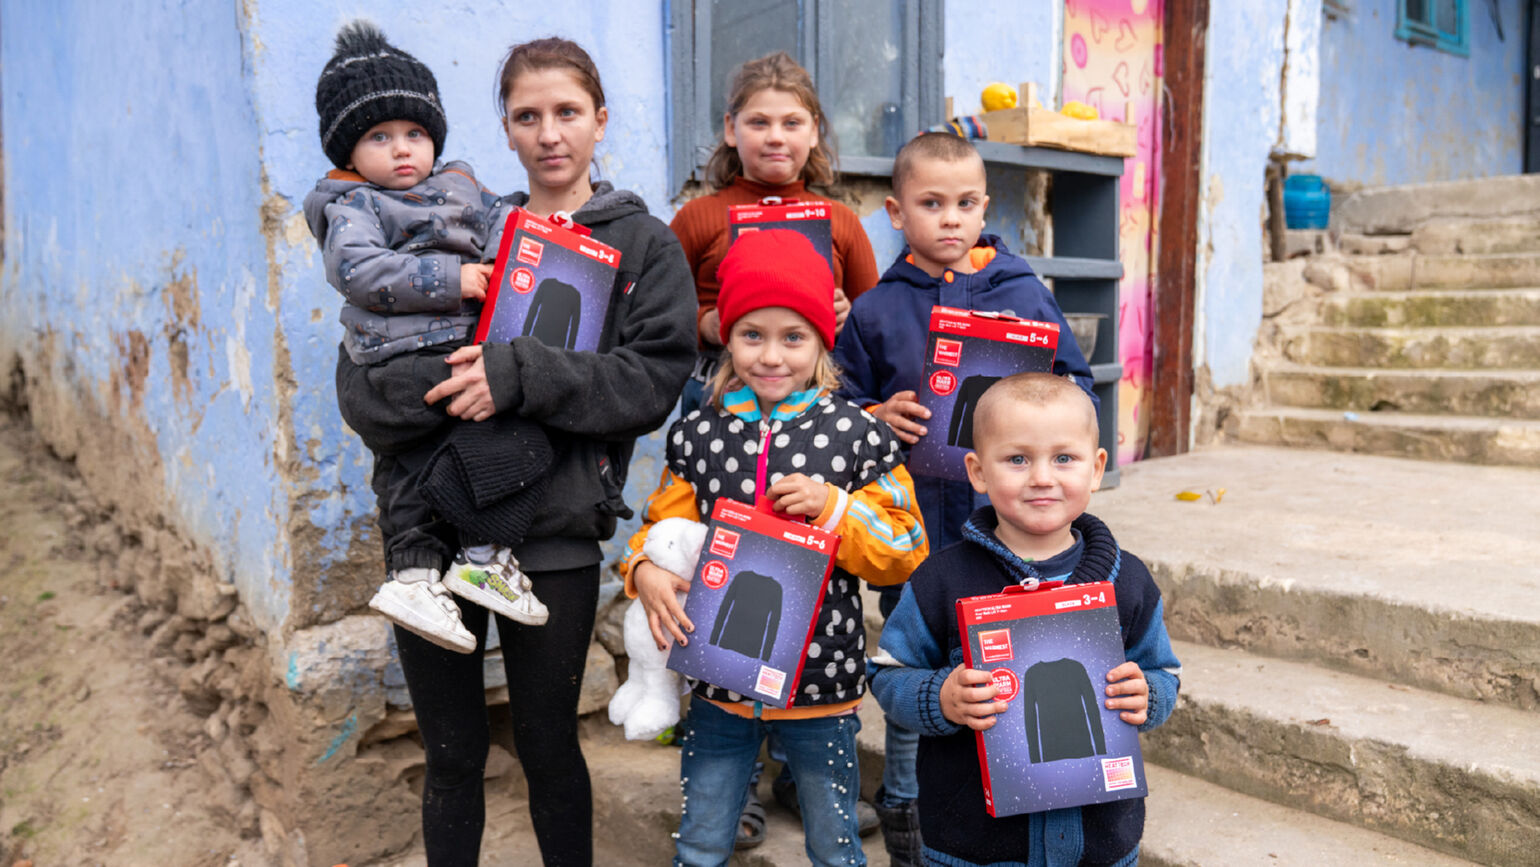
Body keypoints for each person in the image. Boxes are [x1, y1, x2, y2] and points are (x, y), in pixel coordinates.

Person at [402, 38, 697, 866]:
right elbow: (396, 348)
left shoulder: (645, 246)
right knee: (453, 756)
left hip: (557, 534)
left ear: (601, 120)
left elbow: (651, 378)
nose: (549, 133)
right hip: (445, 527)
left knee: (547, 749)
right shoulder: (473, 235)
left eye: (567, 112)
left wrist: (519, 372)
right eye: (527, 116)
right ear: (506, 129)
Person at [831, 132, 1101, 863]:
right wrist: (876, 416)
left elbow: (1076, 385)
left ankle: (1011, 800)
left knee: (1010, 668)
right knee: (919, 664)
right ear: (895, 211)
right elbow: (841, 407)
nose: (950, 219)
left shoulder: (1023, 292)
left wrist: (1039, 396)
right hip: (918, 532)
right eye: (930, 204)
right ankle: (908, 809)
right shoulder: (877, 310)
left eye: (965, 203)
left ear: (985, 204)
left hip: (1014, 533)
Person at [622, 229, 928, 867]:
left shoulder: (857, 433)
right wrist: (644, 569)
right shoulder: (699, 434)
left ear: (821, 340)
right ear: (726, 338)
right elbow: (662, 526)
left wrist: (836, 509)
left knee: (834, 841)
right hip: (716, 679)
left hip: (822, 686)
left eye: (793, 336)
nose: (771, 356)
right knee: (703, 836)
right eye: (751, 334)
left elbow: (906, 545)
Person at [869, 373, 1181, 867]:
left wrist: (1150, 695)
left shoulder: (1129, 582)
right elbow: (887, 674)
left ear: (1097, 468)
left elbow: (1164, 674)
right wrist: (940, 698)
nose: (1041, 477)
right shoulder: (941, 580)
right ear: (977, 471)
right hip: (972, 846)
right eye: (1017, 459)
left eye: (1064, 458)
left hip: (1099, 844)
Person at [304, 21, 547, 654]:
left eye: (415, 133)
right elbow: (358, 271)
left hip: (455, 347)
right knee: (453, 443)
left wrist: (544, 242)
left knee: (457, 449)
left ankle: (449, 565)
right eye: (379, 137)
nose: (402, 150)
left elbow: (506, 226)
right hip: (397, 353)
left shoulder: (460, 184)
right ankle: (457, 562)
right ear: (347, 153)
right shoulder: (355, 207)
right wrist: (455, 276)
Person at [669, 50, 880, 419]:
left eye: (792, 123)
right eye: (759, 123)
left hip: (814, 399)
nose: (776, 137)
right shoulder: (696, 218)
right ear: (731, 129)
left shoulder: (841, 221)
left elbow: (876, 324)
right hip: (714, 396)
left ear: (814, 131)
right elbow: (660, 314)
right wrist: (705, 323)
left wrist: (850, 316)